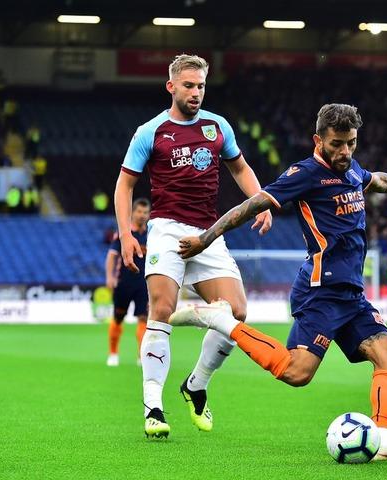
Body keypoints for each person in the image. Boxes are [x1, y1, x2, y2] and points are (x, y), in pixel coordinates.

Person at [173, 104, 387, 461]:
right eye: (337, 143)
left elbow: (377, 179)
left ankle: (383, 442)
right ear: (318, 140)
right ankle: (221, 321)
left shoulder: (350, 169)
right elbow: (255, 204)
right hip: (320, 291)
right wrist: (205, 239)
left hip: (351, 293)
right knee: (296, 372)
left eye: (351, 143)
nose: (345, 151)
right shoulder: (305, 174)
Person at [113, 54, 272, 439]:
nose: (196, 92)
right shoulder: (150, 131)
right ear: (172, 86)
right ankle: (153, 406)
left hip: (209, 233)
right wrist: (126, 234)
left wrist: (261, 201)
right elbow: (124, 185)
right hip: (166, 230)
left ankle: (196, 384)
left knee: (236, 312)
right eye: (188, 85)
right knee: (162, 308)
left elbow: (240, 168)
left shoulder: (218, 127)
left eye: (200, 85)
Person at [105, 198, 151, 367]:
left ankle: (141, 356)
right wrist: (110, 277)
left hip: (143, 284)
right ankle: (113, 353)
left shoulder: (151, 234)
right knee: (118, 318)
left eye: (145, 212)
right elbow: (111, 256)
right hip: (124, 282)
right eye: (139, 211)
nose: (142, 215)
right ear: (133, 213)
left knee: (144, 319)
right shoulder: (124, 234)